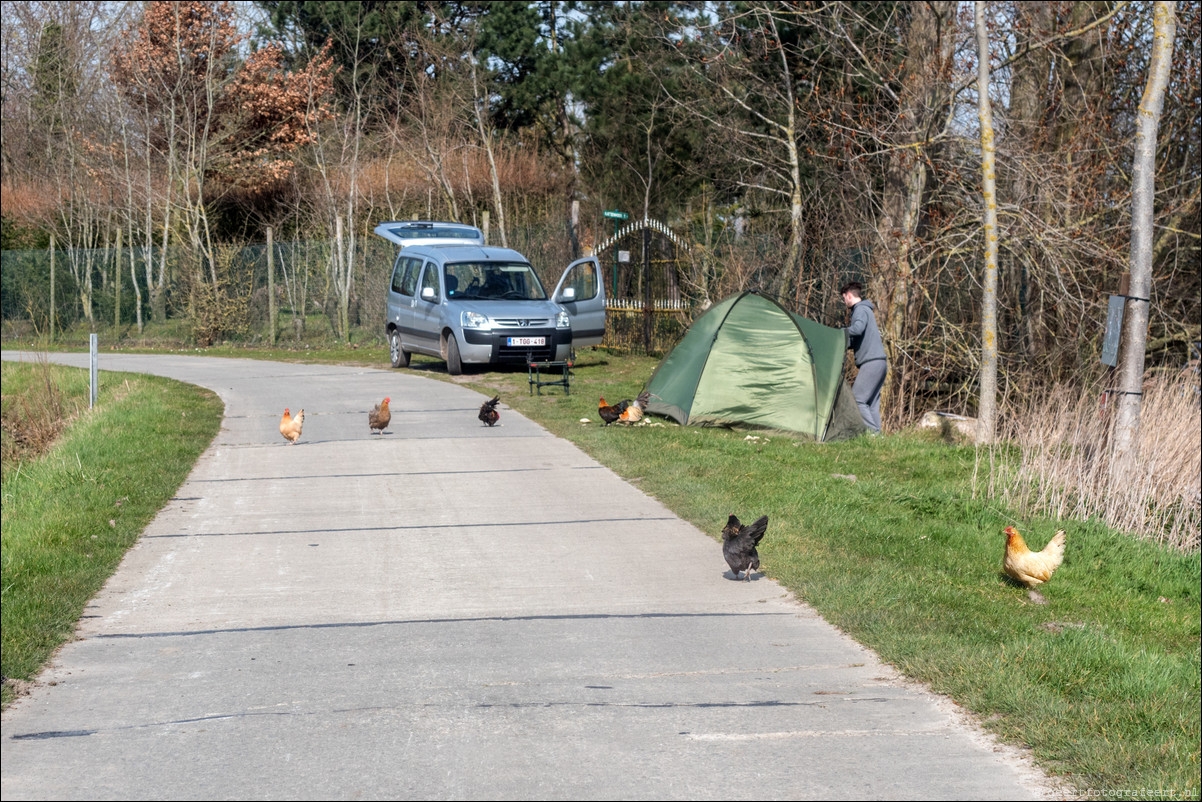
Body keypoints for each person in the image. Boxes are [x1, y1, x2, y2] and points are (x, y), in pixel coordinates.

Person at [840, 281, 888, 435]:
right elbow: (856, 339)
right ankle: (878, 439)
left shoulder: (860, 310)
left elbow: (857, 329)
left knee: (858, 400)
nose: (844, 302)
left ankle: (873, 433)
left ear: (848, 295)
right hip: (880, 363)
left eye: (844, 298)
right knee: (871, 404)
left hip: (871, 363)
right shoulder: (866, 310)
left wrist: (840, 332)